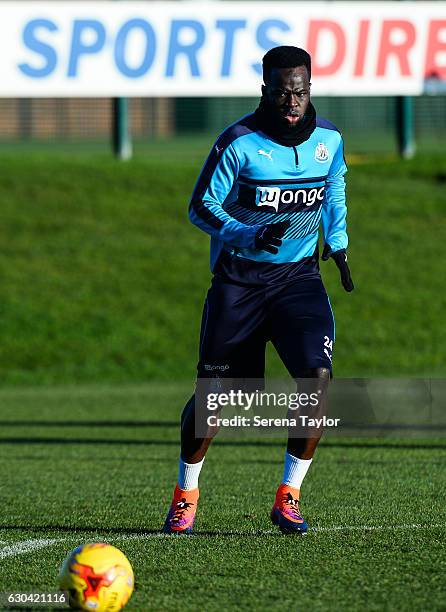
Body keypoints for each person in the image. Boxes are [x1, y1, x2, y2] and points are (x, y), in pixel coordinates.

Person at [163, 45, 354, 535]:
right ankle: (186, 494)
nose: (294, 101)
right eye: (285, 91)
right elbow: (201, 208)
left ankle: (288, 495)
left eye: (303, 90)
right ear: (265, 89)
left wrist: (337, 241)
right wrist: (247, 233)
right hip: (239, 282)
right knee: (216, 400)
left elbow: (333, 187)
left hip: (298, 280)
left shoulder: (328, 139)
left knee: (317, 379)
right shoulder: (238, 143)